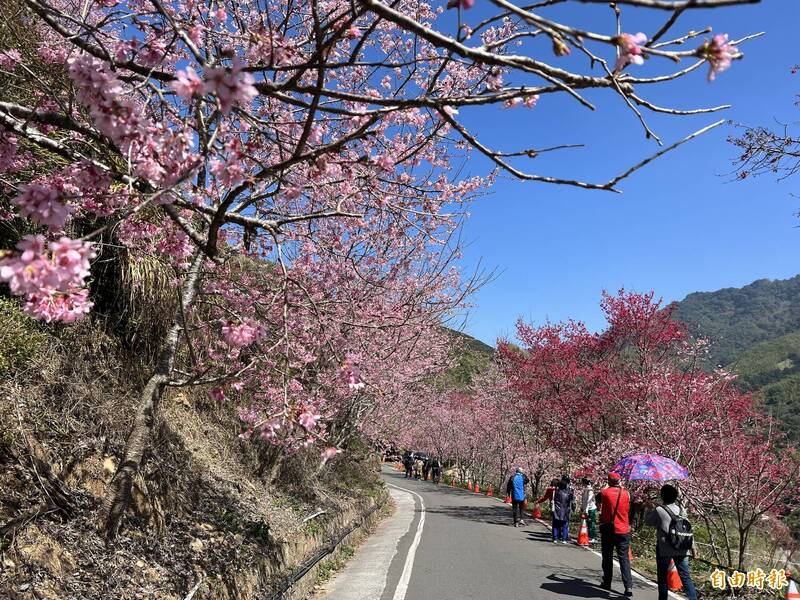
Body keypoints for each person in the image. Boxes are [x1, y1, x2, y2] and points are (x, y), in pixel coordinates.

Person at [645, 484, 698, 600]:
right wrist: (693, 549)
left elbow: (648, 522)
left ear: (662, 496)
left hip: (665, 548)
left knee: (663, 576)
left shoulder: (659, 510)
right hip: (682, 547)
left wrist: (649, 508)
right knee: (685, 576)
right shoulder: (681, 509)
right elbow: (688, 529)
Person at [598, 472, 633, 597]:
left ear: (609, 481)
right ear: (620, 481)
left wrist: (607, 486)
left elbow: (600, 496)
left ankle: (607, 582)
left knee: (607, 557)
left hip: (609, 529)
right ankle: (628, 586)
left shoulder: (604, 493)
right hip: (623, 530)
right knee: (624, 558)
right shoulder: (627, 494)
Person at [552, 479, 575, 543]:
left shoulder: (556, 492)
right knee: (565, 525)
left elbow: (553, 500)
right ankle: (564, 539)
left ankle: (555, 538)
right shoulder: (569, 493)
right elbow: (572, 501)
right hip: (565, 511)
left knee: (556, 525)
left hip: (557, 510)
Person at [580, 477, 598, 543]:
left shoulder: (590, 490)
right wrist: (582, 507)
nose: (581, 483)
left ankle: (593, 537)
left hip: (591, 509)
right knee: (588, 523)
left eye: (582, 482)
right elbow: (583, 500)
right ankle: (590, 536)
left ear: (584, 482)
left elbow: (588, 501)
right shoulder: (586, 489)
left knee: (591, 523)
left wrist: (586, 510)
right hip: (587, 508)